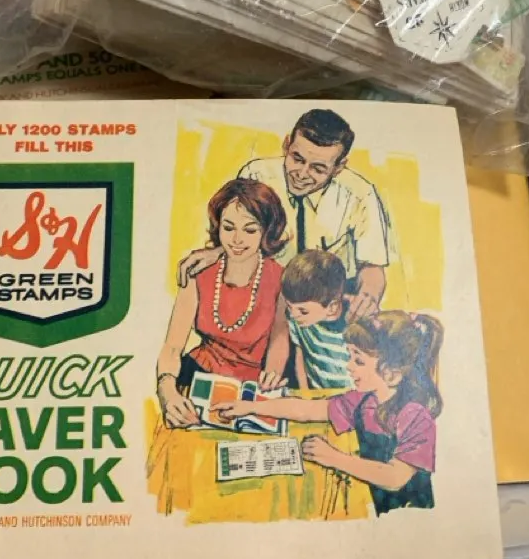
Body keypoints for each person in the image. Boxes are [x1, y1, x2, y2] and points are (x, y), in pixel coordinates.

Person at [213, 310, 443, 515]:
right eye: (350, 357)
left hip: (406, 515)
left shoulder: (416, 416)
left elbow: (394, 478)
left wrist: (333, 458)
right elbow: (306, 409)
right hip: (367, 497)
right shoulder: (362, 401)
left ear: (392, 374)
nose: (348, 366)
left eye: (358, 361)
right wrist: (251, 407)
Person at [177, 109, 389, 322]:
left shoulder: (361, 194)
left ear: (339, 167)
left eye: (318, 169)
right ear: (287, 145)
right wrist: (217, 252)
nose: (302, 174)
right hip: (267, 297)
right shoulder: (256, 176)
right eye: (297, 159)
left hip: (327, 306)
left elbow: (372, 266)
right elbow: (242, 233)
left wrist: (368, 297)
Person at [156, 179, 290, 428]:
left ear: (266, 231)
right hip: (197, 377)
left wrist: (272, 376)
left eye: (250, 230)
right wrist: (167, 391)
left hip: (252, 387)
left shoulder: (280, 279)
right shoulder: (197, 272)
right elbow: (172, 346)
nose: (237, 239)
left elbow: (279, 341)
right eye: (229, 228)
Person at [281, 250, 351, 390]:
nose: (293, 315)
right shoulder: (298, 319)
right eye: (289, 306)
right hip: (317, 396)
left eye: (303, 311)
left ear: (331, 307)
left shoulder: (353, 330)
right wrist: (305, 393)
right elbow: (300, 355)